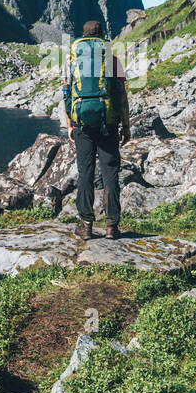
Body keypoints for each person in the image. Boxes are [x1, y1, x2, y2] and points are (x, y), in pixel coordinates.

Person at [62, 20, 131, 240]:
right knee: (110, 173)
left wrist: (69, 124)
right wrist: (126, 125)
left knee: (86, 173)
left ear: (83, 36)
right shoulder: (111, 59)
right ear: (102, 36)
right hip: (108, 124)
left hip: (82, 124)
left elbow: (66, 93)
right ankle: (111, 227)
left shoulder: (72, 60)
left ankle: (86, 226)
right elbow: (121, 95)